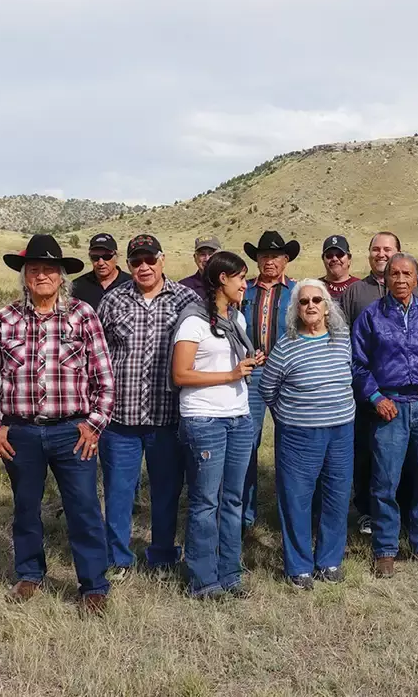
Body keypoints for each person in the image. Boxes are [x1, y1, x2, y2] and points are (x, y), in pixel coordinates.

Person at [0, 234, 114, 614]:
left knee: (84, 507)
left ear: (61, 275)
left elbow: (104, 379)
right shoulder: (4, 319)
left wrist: (94, 425)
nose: (42, 275)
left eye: (49, 269)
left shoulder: (83, 315)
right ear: (24, 275)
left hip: (73, 432)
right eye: (34, 269)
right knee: (25, 507)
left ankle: (93, 585)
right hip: (20, 432)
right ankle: (30, 575)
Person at [97, 234, 198, 580]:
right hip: (119, 418)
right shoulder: (112, 301)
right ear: (127, 265)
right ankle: (118, 559)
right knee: (119, 493)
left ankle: (163, 556)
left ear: (162, 260)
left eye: (149, 259)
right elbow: (97, 356)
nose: (144, 266)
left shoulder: (187, 300)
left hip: (166, 417)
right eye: (136, 261)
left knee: (167, 493)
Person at [351, 253, 418, 577]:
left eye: (406, 273)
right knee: (385, 480)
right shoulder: (371, 317)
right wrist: (376, 396)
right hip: (389, 406)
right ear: (385, 278)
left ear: (417, 278)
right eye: (394, 273)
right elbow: (357, 362)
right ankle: (385, 548)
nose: (400, 279)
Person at [171, 251, 261, 598]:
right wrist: (231, 373)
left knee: (233, 499)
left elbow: (232, 362)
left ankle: (230, 574)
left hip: (238, 417)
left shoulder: (236, 319)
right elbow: (180, 374)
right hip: (205, 419)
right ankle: (203, 579)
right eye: (240, 277)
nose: (245, 283)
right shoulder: (194, 321)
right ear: (222, 279)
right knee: (206, 501)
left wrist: (248, 363)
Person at [259, 279, 356, 589]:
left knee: (337, 497)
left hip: (341, 431)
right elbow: (267, 388)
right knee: (296, 500)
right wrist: (292, 416)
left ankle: (329, 561)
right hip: (299, 435)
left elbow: (347, 377)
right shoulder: (286, 345)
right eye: (303, 302)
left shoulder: (342, 339)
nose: (311, 305)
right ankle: (299, 566)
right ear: (295, 310)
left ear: (328, 306)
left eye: (317, 299)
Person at [340, 231, 403, 535]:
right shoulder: (355, 292)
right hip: (365, 390)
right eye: (376, 249)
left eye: (387, 249)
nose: (381, 254)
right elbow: (343, 340)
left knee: (404, 454)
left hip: (403, 391)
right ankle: (366, 510)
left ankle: (401, 508)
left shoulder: (412, 288)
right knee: (365, 452)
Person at [240, 230, 299, 532]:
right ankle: (244, 518)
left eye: (275, 255)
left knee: (289, 444)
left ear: (285, 259)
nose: (269, 261)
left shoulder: (298, 292)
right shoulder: (244, 291)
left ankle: (289, 516)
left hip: (287, 376)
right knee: (245, 445)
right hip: (251, 375)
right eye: (263, 256)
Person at [71, 233, 131, 311]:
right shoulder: (76, 287)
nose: (101, 263)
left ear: (116, 256)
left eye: (106, 257)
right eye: (95, 257)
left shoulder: (131, 284)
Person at [320, 234, 360, 300]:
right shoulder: (316, 287)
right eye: (329, 255)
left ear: (349, 259)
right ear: (323, 260)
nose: (334, 259)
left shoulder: (359, 287)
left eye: (340, 254)